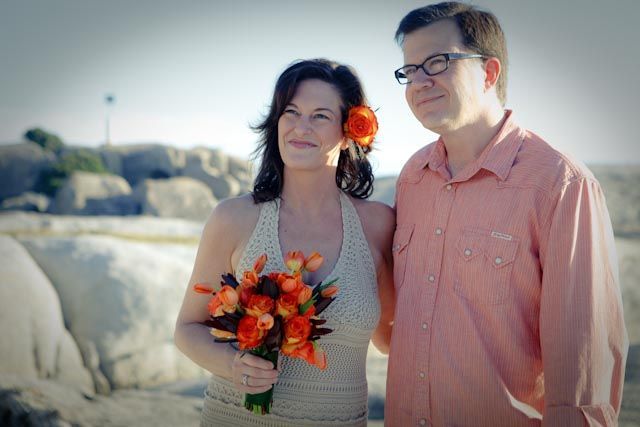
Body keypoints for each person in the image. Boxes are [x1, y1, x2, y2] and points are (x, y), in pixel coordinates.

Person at [386, 2, 628, 426]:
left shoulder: (561, 184)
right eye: (409, 70)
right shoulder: (412, 178)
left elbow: (583, 380)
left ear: (489, 72)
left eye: (436, 62)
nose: (419, 82)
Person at [174, 58, 395, 426]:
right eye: (291, 112)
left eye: (320, 116)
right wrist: (235, 365)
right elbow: (186, 329)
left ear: (349, 130)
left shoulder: (378, 224)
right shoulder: (233, 218)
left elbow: (391, 339)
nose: (300, 127)